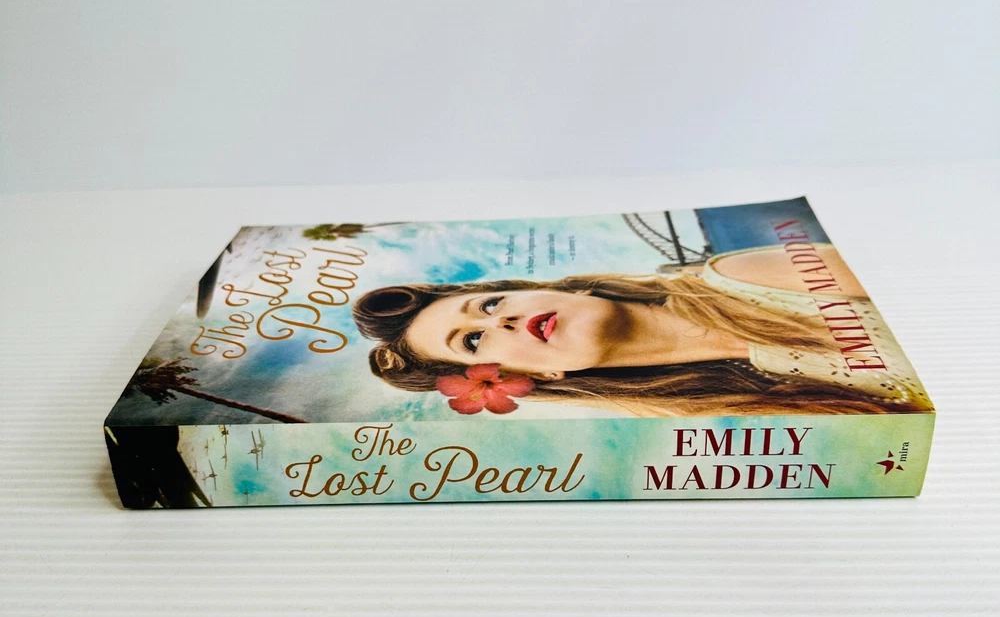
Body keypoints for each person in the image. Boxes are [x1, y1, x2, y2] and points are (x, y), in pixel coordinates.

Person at [352, 243, 932, 416]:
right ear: (533, 377)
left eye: (489, 303)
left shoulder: (741, 277)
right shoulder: (740, 410)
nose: (497, 318)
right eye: (474, 341)